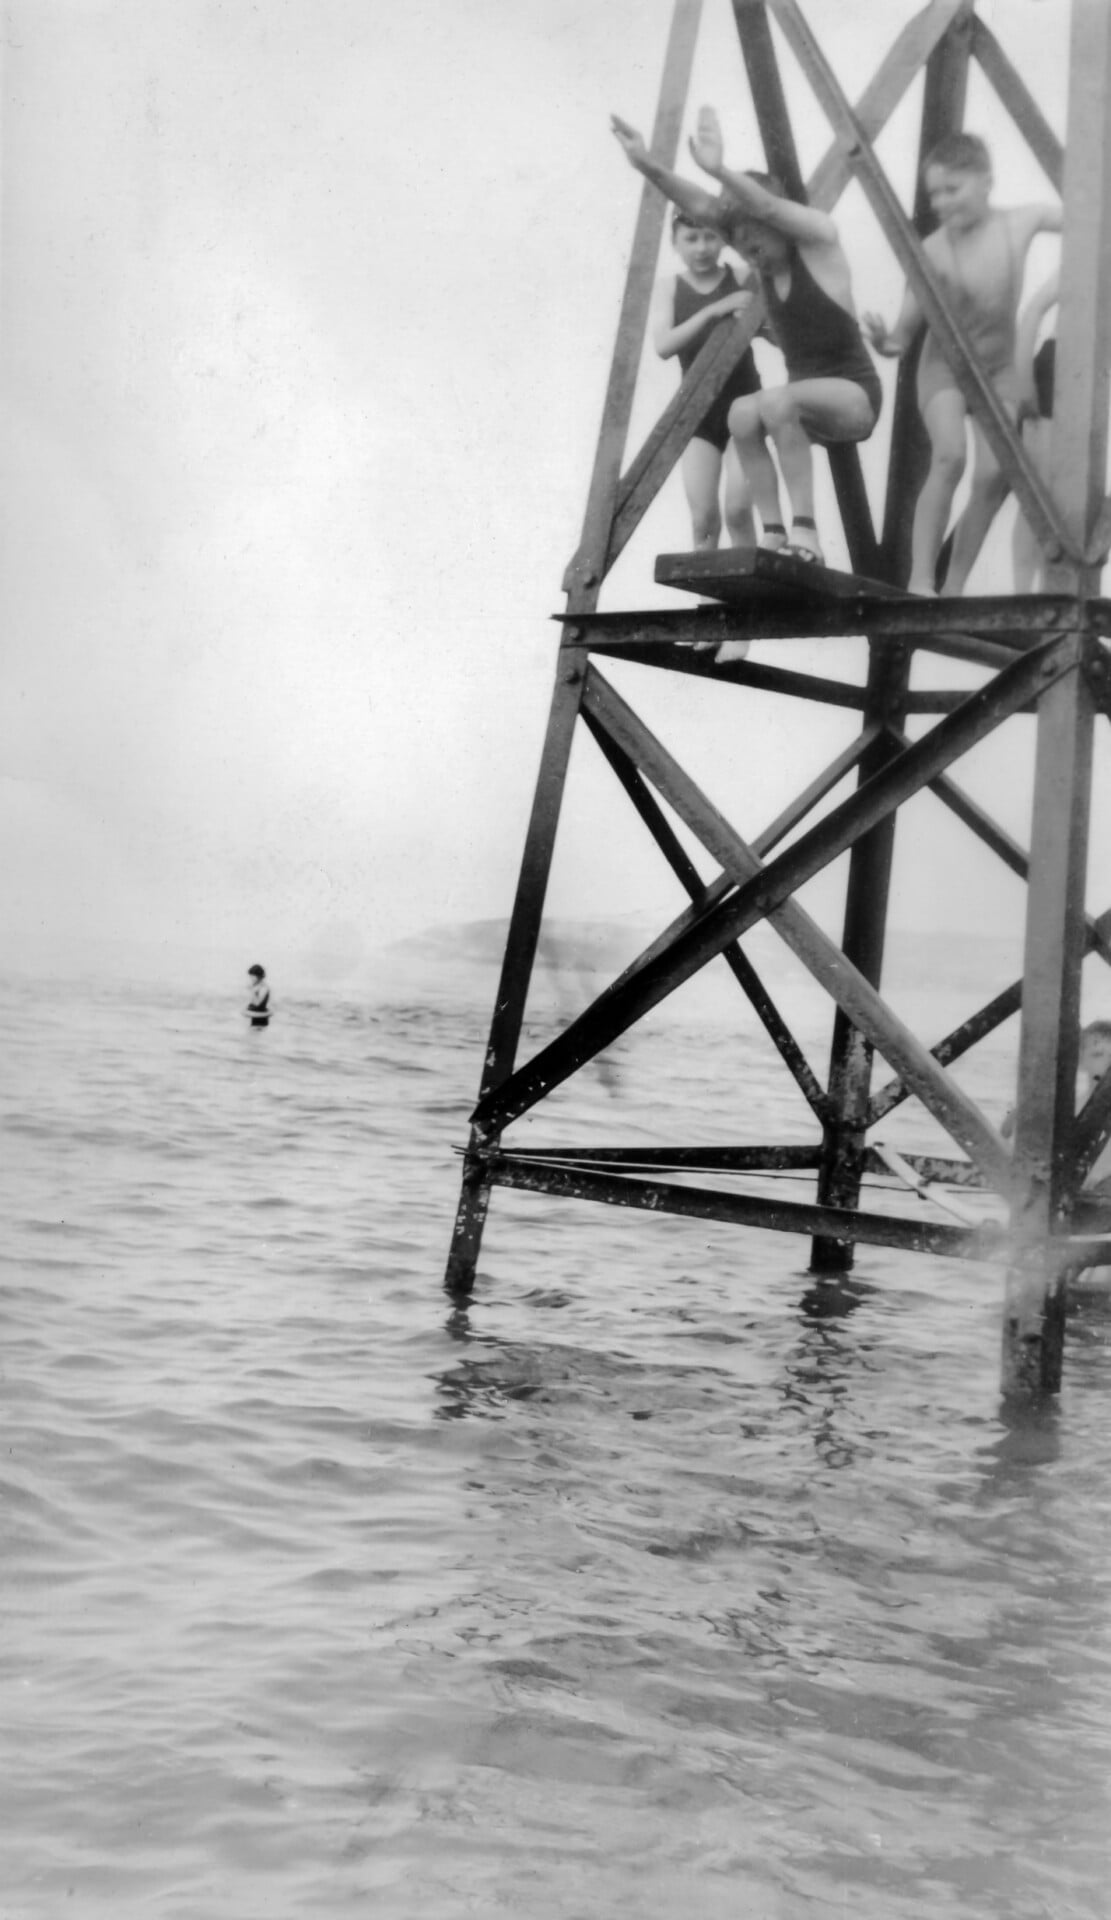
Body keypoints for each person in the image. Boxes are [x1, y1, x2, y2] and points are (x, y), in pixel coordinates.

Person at [612, 104, 882, 566]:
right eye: (738, 235)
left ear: (778, 224)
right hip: (803, 407)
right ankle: (774, 531)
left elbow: (767, 206)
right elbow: (703, 207)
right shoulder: (761, 258)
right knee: (740, 412)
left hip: (854, 397)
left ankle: (807, 535)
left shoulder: (818, 244)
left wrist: (719, 168)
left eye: (755, 231)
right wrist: (646, 165)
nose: (745, 242)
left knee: (776, 401)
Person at [862, 133, 1061, 597]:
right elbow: (902, 336)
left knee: (995, 477)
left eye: (953, 190)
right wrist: (883, 340)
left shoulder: (1022, 222)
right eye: (935, 194)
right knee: (950, 455)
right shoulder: (933, 250)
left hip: (998, 371)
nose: (942, 203)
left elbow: (1089, 219)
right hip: (945, 368)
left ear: (986, 182)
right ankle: (920, 579)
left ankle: (953, 585)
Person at [650, 206, 770, 551]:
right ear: (675, 242)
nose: (701, 248)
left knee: (737, 509)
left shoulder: (745, 276)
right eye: (690, 239)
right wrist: (715, 310)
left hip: (744, 407)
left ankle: (748, 599)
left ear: (723, 240)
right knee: (703, 518)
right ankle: (707, 605)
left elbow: (779, 331)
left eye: (709, 237)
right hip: (697, 415)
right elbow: (663, 345)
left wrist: (758, 326)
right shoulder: (668, 287)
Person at [1011, 271, 1058, 593]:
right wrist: (1024, 385)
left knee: (1066, 506)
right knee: (1038, 500)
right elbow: (1034, 310)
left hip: (1093, 381)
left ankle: (1050, 592)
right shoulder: (1093, 259)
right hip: (1056, 371)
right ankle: (1023, 594)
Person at [245, 964, 271, 1030]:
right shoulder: (257, 986)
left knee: (258, 1037)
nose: (251, 978)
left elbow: (257, 1003)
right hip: (255, 1016)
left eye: (252, 976)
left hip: (261, 1018)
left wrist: (252, 991)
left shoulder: (264, 988)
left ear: (258, 976)